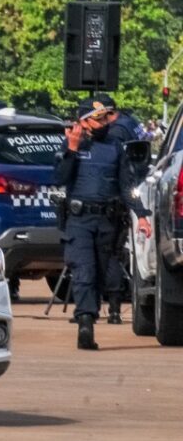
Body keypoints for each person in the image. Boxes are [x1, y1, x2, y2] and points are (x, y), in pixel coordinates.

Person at [53, 99, 152, 349]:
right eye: (98, 118)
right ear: (84, 122)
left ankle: (92, 313)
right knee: (84, 271)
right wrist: (72, 150)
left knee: (99, 273)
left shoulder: (116, 148)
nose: (104, 122)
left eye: (106, 117)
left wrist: (141, 215)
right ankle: (85, 322)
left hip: (107, 221)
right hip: (79, 221)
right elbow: (60, 178)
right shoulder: (71, 145)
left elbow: (127, 186)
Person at [91, 93, 152, 323]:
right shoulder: (131, 122)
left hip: (113, 198)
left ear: (107, 113)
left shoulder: (114, 134)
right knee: (114, 255)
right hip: (133, 190)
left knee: (101, 257)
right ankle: (114, 310)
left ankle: (98, 308)